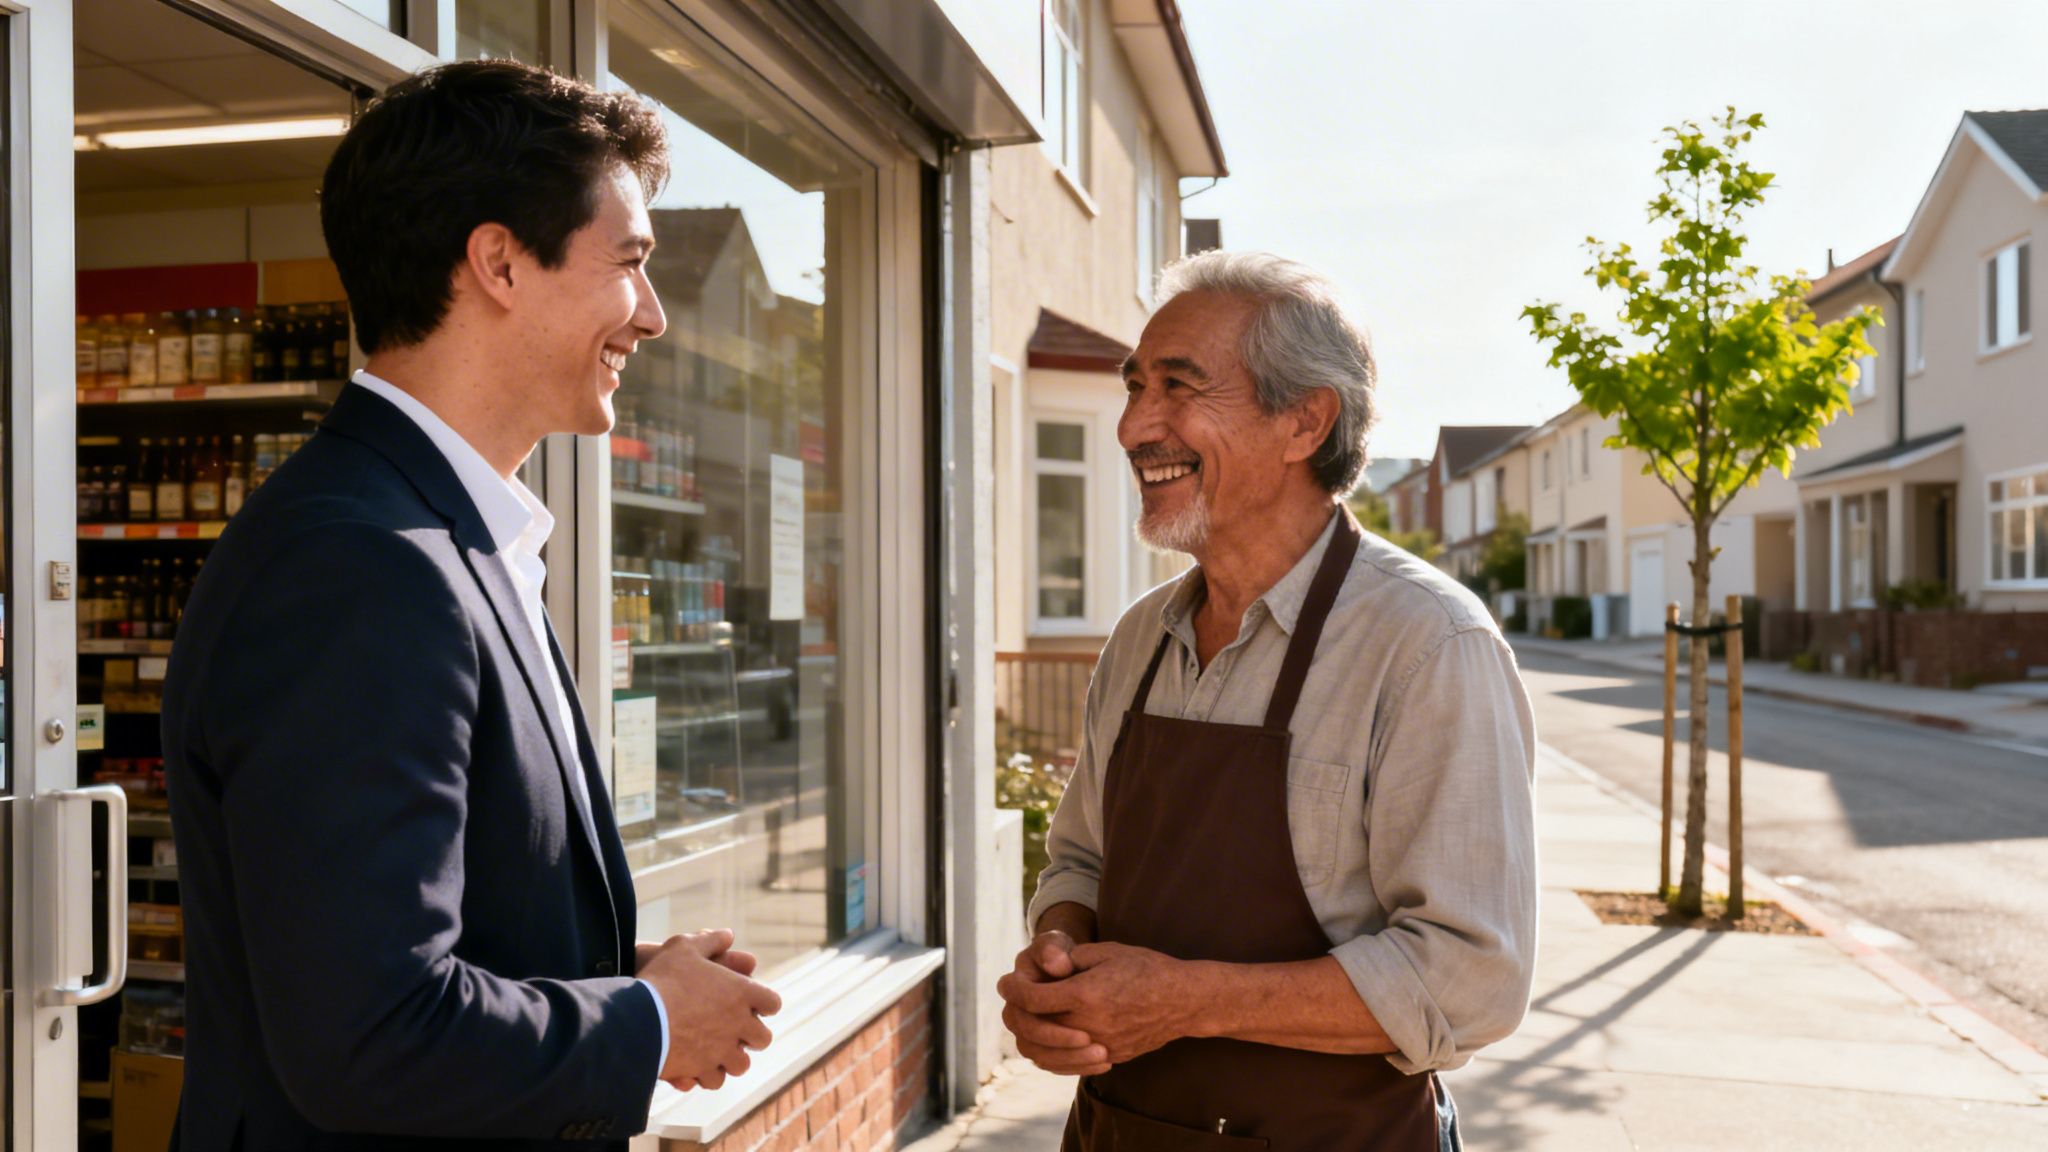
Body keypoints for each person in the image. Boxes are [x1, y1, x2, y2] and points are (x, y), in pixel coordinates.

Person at [161, 60, 780, 1150]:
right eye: (628, 263)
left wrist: (604, 977)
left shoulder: (437, 535)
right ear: (496, 261)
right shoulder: (360, 563)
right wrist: (644, 1025)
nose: (654, 315)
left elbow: (407, 941)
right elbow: (369, 1034)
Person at [997, 252, 1537, 1150]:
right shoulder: (1140, 639)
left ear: (1304, 420)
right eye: (1136, 388)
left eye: (1179, 387)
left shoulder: (1428, 645)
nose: (1134, 426)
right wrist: (1060, 959)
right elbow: (1081, 862)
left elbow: (1468, 981)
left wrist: (1184, 1002)